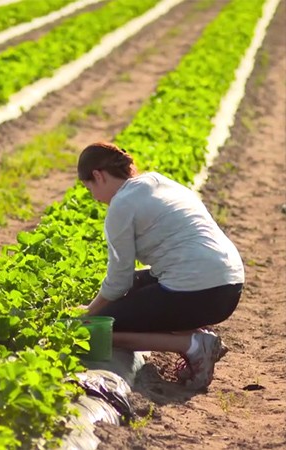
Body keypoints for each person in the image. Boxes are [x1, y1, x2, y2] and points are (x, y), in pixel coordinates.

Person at [77, 142, 244, 391]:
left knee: (105, 327)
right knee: (136, 288)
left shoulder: (121, 205)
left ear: (98, 176)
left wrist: (89, 313)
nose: (94, 197)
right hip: (229, 284)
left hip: (200, 291)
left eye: (89, 187)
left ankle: (194, 345)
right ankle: (196, 337)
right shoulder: (157, 181)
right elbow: (129, 281)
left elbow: (118, 282)